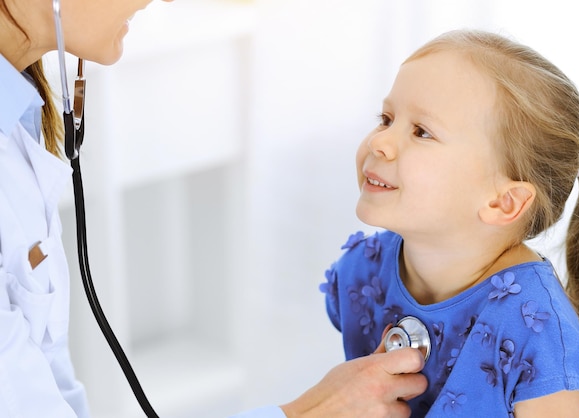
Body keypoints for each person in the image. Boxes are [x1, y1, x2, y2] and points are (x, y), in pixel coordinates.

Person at [0, 0, 427, 417]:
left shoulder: (20, 119)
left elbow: (50, 385)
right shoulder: (357, 277)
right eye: (386, 120)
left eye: (423, 132)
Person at [320, 29, 579, 418]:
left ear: (503, 201)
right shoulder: (363, 270)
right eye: (386, 118)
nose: (380, 142)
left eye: (422, 132)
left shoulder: (539, 339)